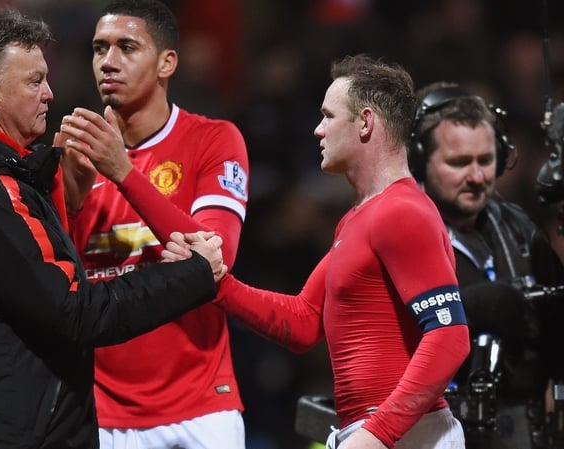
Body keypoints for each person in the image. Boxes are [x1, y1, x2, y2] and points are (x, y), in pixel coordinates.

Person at [0, 9, 230, 449]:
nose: (50, 94)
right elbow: (76, 312)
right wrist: (194, 272)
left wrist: (60, 189)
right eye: (34, 82)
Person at [163, 54, 471, 449]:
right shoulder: (361, 218)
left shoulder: (402, 211)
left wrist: (377, 434)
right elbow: (304, 320)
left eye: (328, 116)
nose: (317, 130)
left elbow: (450, 336)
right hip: (384, 431)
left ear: (365, 122)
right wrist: (216, 282)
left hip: (407, 434)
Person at [58, 0, 249, 447]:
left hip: (202, 407)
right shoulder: (74, 157)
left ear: (167, 62)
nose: (108, 61)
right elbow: (56, 285)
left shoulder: (213, 140)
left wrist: (123, 172)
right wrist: (71, 198)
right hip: (103, 413)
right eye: (99, 48)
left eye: (127, 47)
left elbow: (215, 256)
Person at [409, 81, 564, 449]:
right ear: (418, 161)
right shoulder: (394, 231)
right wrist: (469, 307)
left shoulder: (519, 229)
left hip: (522, 428)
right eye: (458, 162)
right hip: (426, 430)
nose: (477, 177)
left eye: (486, 160)